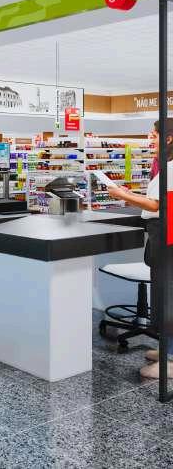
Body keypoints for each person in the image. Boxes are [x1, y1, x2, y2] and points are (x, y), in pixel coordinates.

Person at [107, 118, 173, 379]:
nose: (150, 139)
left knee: (167, 295)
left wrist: (122, 195)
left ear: (168, 138)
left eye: (154, 135)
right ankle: (167, 349)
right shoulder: (167, 166)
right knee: (165, 292)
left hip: (166, 235)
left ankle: (170, 361)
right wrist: (130, 194)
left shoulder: (170, 168)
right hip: (166, 234)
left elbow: (156, 205)